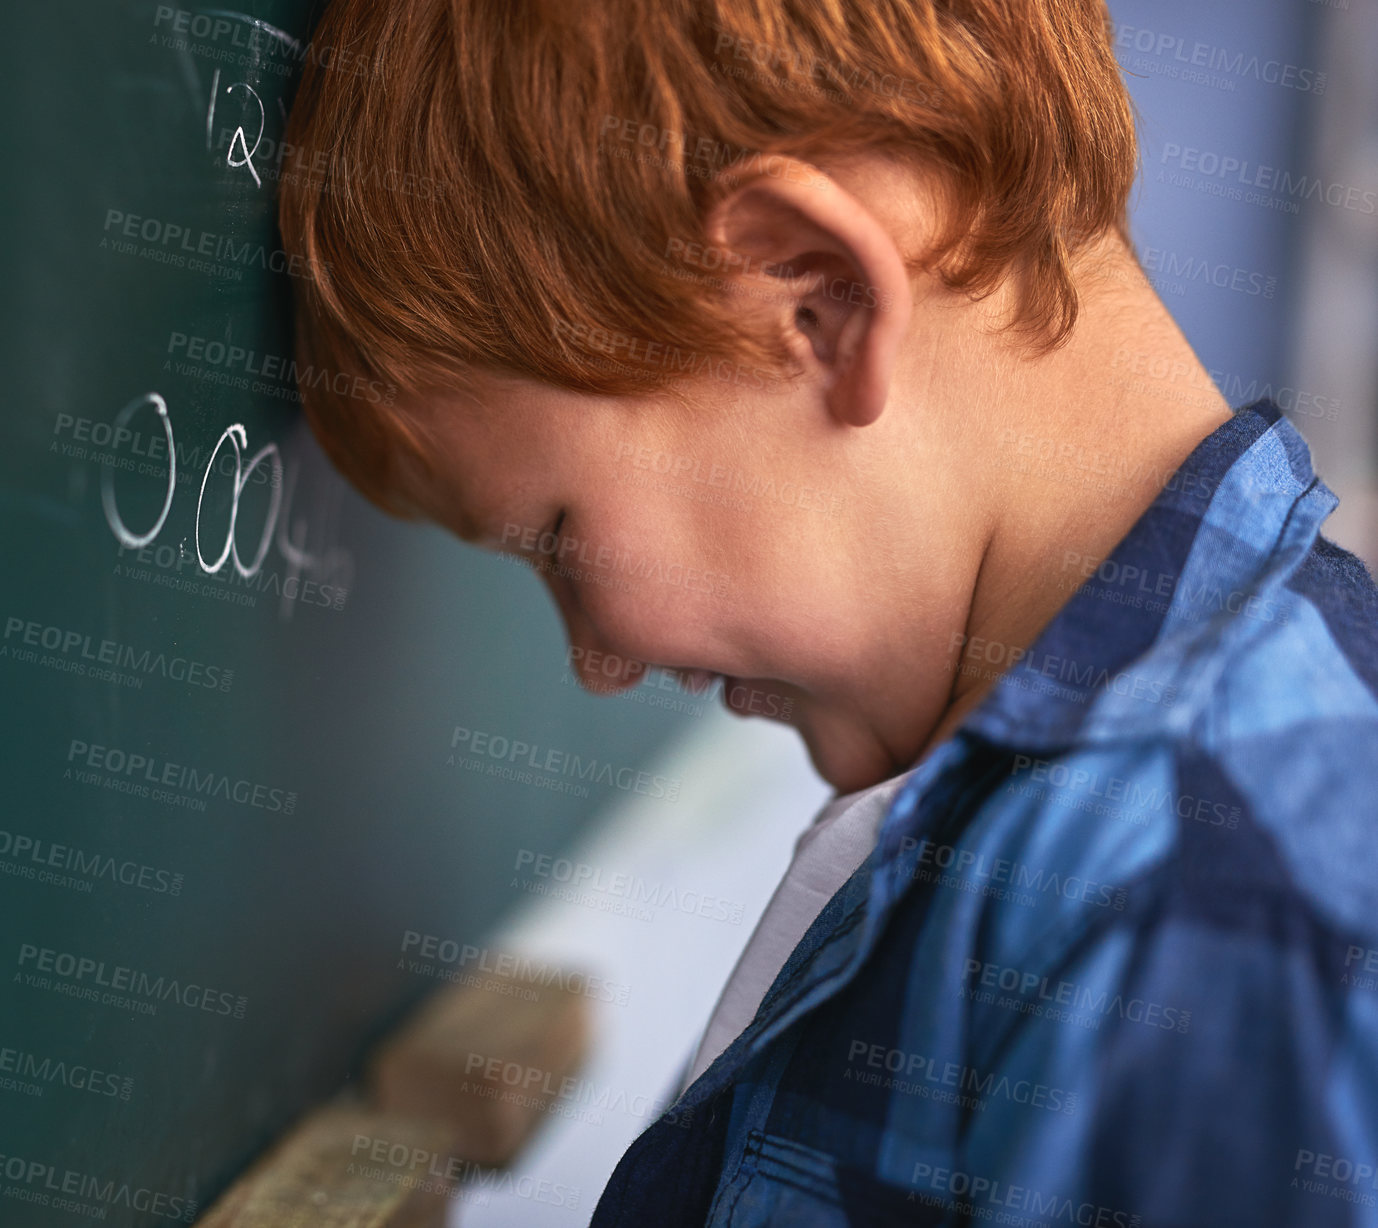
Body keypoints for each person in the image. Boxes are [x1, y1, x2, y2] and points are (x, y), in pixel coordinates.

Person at [278, 1, 1378, 1223]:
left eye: (557, 539)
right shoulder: (1077, 832)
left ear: (819, 300)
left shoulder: (1200, 902)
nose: (594, 665)